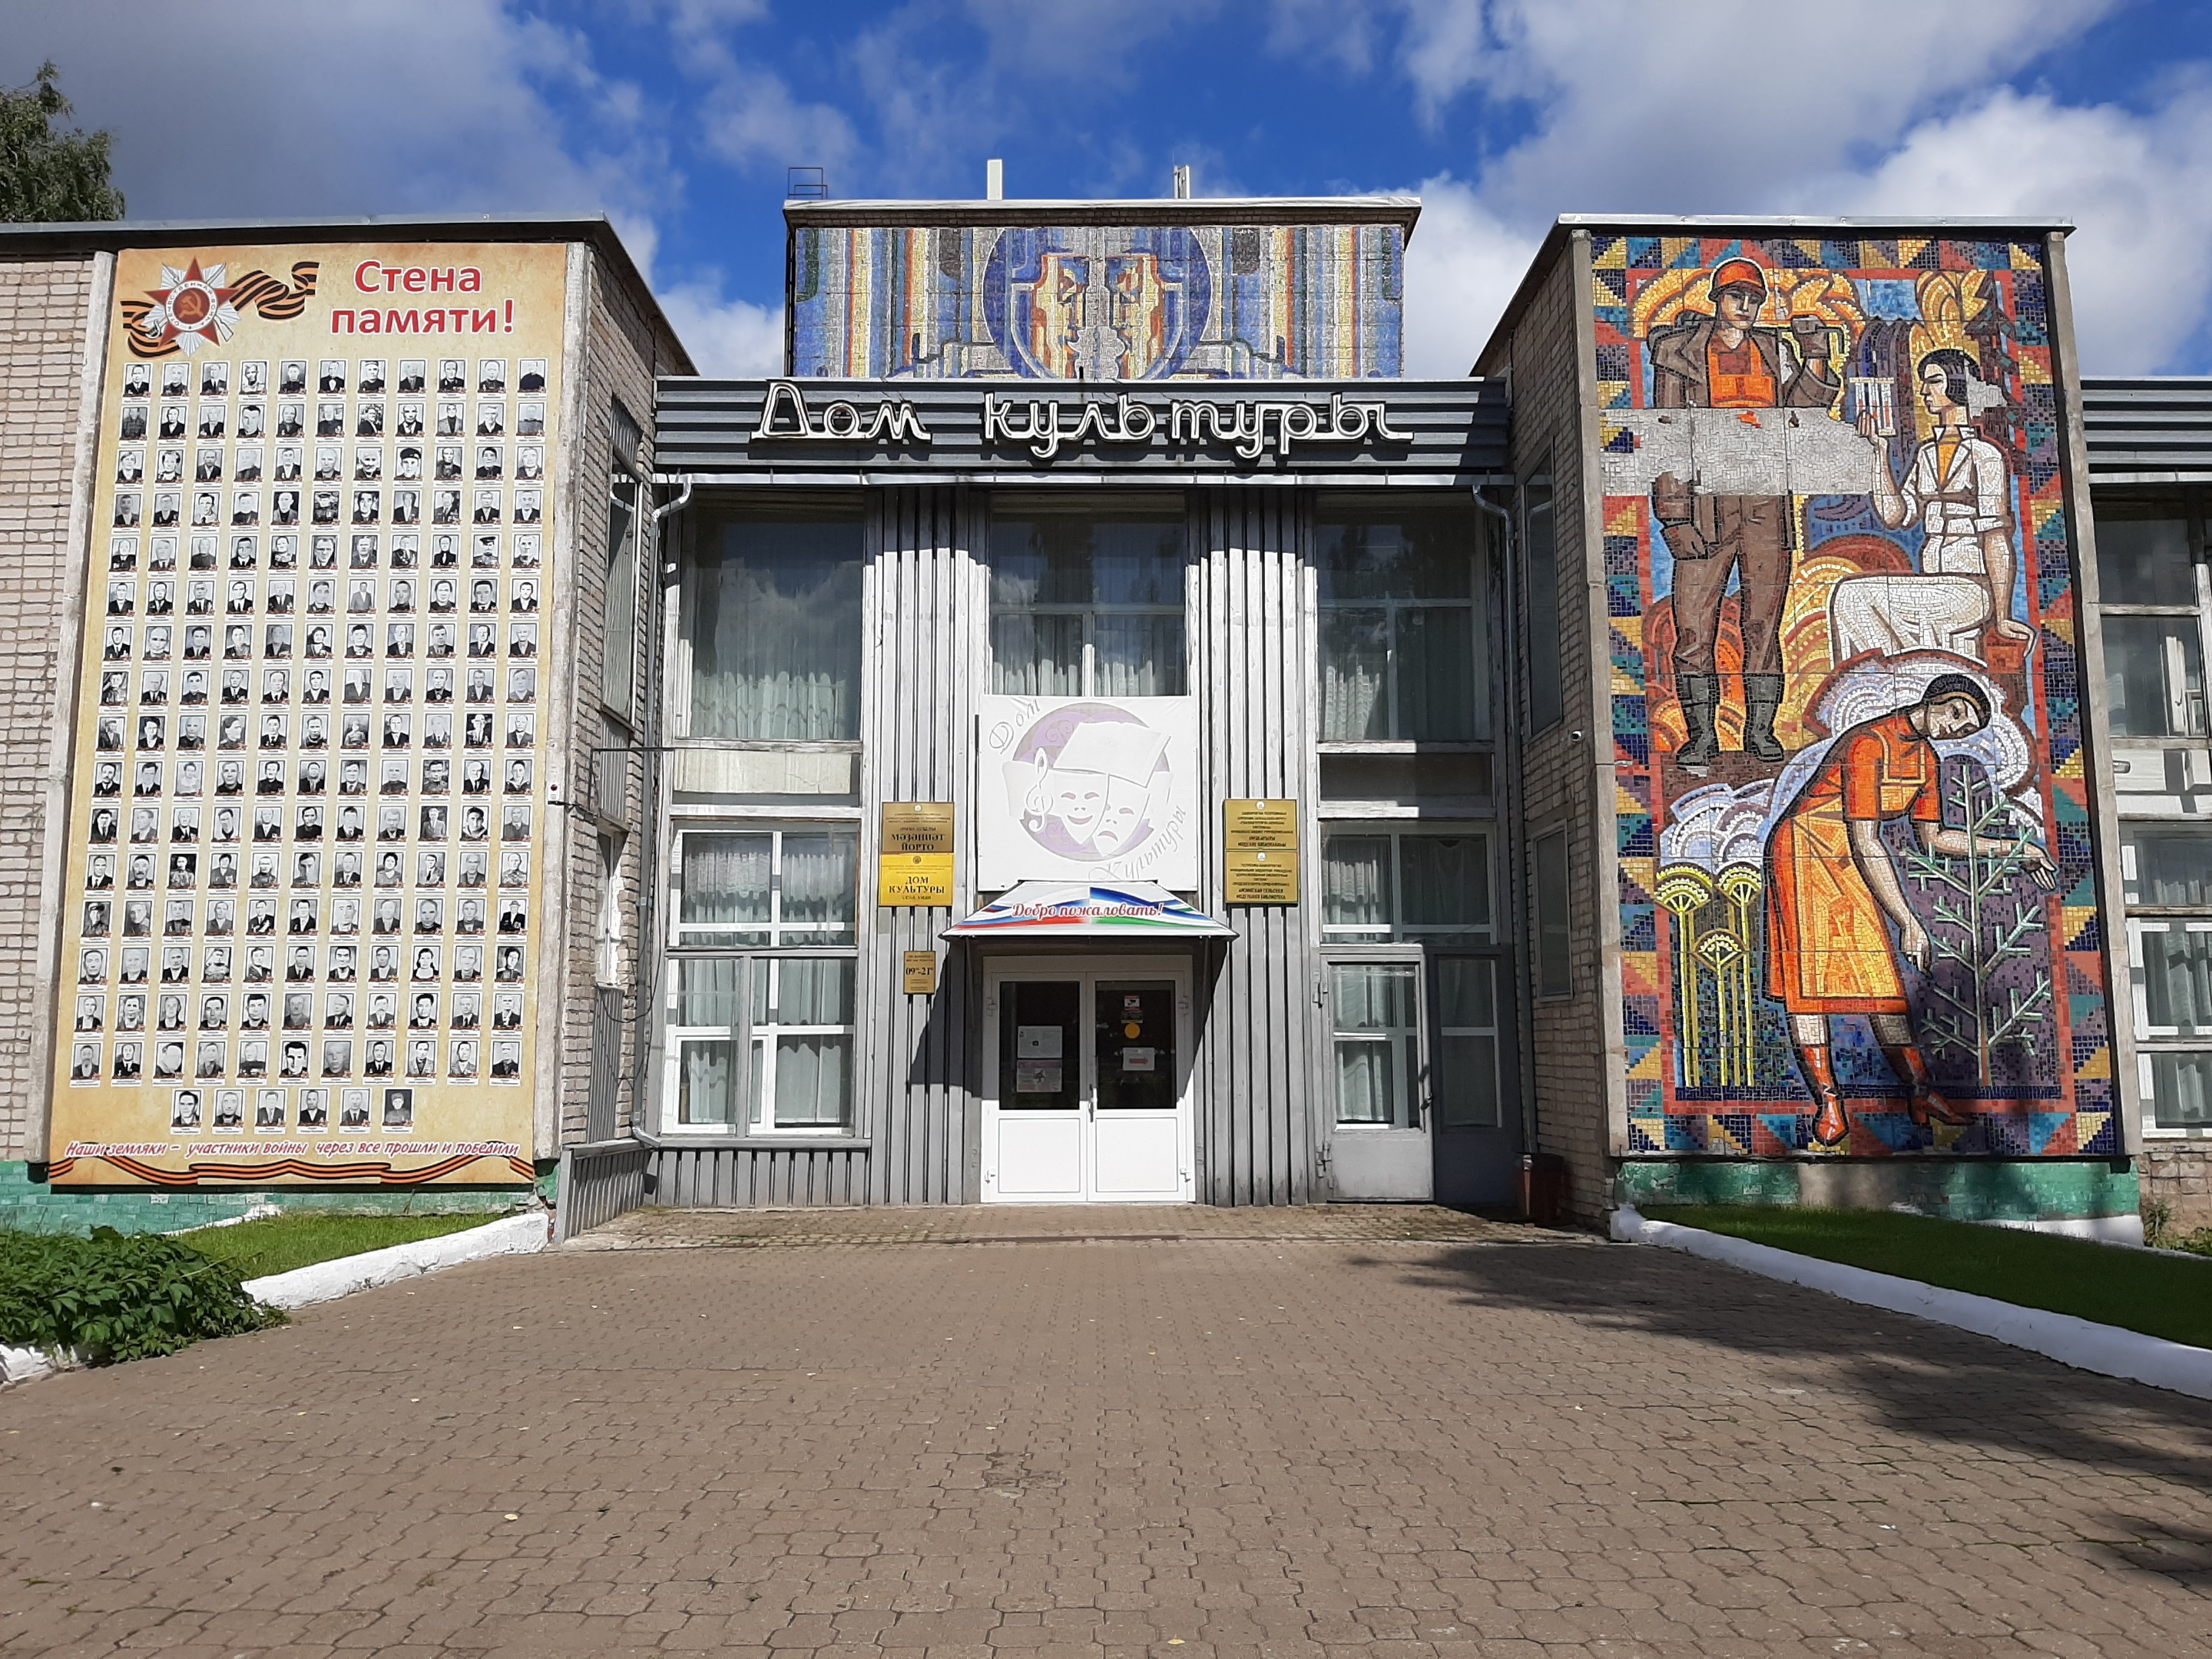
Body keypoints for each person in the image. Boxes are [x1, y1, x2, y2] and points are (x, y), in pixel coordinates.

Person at [1764, 674, 2058, 1147]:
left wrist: (2015, 849)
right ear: (1935, 700)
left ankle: (1921, 1093)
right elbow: (1865, 837)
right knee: (1810, 984)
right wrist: (1908, 921)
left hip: (1854, 855)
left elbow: (1936, 838)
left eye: (1967, 728)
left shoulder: (1926, 762)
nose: (1955, 728)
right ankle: (1830, 1103)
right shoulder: (1869, 743)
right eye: (1956, 713)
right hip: (1806, 848)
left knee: (1880, 981)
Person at [1647, 258, 1841, 767]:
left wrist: (1815, 353)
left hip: (1764, 505)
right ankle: (1701, 737)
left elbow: (1805, 410)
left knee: (1762, 625)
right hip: (1705, 505)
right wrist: (1674, 516)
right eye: (1737, 297)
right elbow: (1669, 437)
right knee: (1694, 627)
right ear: (1718, 300)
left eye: (1754, 299)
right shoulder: (1681, 354)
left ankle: (1760, 732)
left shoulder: (1774, 352)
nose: (1746, 306)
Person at [1830, 349, 2037, 664]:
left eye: (1935, 381)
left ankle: (1901, 669)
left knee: (1854, 595)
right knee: (1848, 596)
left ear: (1959, 384)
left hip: (1970, 587)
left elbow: (1996, 537)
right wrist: (1879, 452)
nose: (1925, 391)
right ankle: (1902, 670)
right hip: (1934, 582)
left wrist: (2003, 615)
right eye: (1924, 383)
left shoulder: (1985, 455)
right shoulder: (1926, 454)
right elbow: (1895, 515)